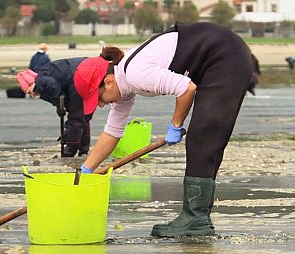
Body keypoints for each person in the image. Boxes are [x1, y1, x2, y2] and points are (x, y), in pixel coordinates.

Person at [73, 22, 253, 237]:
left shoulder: (135, 74)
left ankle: (195, 218)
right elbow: (113, 131)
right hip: (213, 58)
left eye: (99, 98)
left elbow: (186, 88)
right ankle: (198, 217)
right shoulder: (124, 85)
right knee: (204, 138)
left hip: (224, 54)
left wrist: (175, 125)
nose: (101, 104)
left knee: (203, 137)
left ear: (108, 81)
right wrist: (87, 170)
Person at [17, 57, 92, 157]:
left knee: (76, 118)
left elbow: (54, 86)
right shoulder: (46, 75)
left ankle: (70, 152)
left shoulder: (41, 81)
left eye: (30, 91)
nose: (33, 95)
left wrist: (59, 105)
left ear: (32, 83)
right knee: (83, 117)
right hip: (83, 74)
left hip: (80, 76)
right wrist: (68, 131)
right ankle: (83, 150)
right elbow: (68, 103)